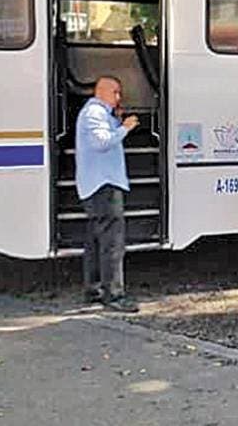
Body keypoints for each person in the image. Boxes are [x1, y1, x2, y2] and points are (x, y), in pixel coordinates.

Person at [75, 76, 140, 313]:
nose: (119, 98)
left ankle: (94, 288)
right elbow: (101, 142)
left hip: (95, 185)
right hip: (105, 185)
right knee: (112, 243)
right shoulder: (95, 113)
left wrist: (117, 123)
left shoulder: (97, 113)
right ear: (102, 92)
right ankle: (114, 294)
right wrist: (125, 128)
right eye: (116, 92)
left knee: (94, 241)